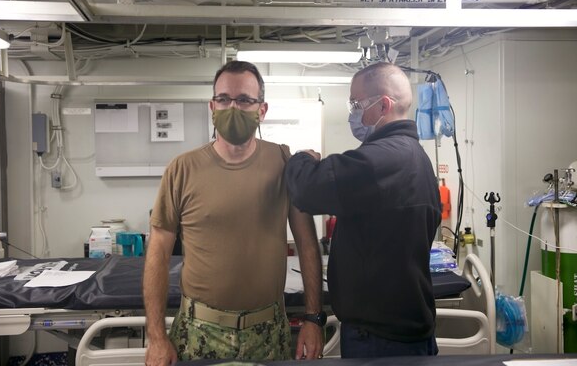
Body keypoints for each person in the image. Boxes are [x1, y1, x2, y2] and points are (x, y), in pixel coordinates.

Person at [143, 60, 324, 366]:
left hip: (268, 331)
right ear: (212, 107)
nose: (233, 108)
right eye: (224, 99)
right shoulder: (182, 169)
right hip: (199, 331)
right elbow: (157, 254)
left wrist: (313, 318)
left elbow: (307, 243)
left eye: (244, 100)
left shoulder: (284, 163)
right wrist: (157, 337)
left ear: (261, 110)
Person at [285, 62, 441, 358]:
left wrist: (301, 159)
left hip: (381, 340)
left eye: (356, 104)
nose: (352, 114)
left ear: (383, 105)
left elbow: (308, 189)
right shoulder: (415, 157)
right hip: (403, 331)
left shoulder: (381, 161)